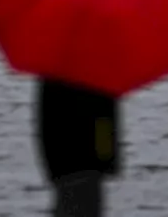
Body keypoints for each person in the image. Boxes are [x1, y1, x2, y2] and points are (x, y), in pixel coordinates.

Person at [36, 78, 121, 217]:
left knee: (66, 205)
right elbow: (103, 122)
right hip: (88, 164)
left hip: (61, 164)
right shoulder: (97, 77)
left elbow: (46, 124)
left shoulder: (52, 76)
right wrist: (107, 160)